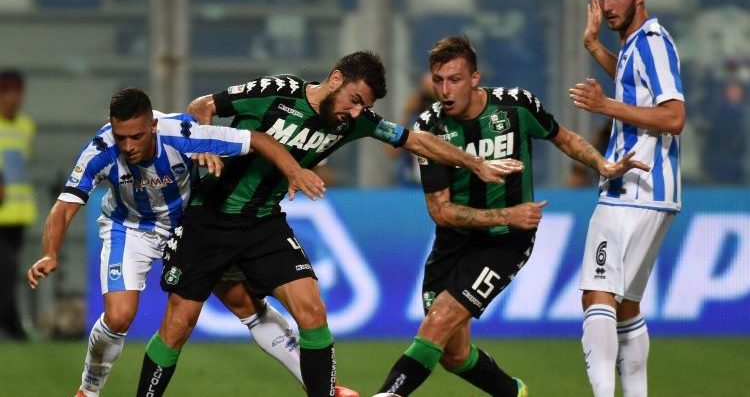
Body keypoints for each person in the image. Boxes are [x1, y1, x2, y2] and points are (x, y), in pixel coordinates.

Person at [133, 51, 522, 397]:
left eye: (364, 106)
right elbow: (201, 106)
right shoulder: (277, 91)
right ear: (336, 79)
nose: (356, 112)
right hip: (209, 219)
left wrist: (474, 163)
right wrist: (204, 144)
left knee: (313, 312)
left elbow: (415, 141)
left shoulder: (353, 122)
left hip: (264, 223)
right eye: (355, 100)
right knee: (179, 325)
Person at [374, 35, 648, 397]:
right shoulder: (429, 129)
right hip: (454, 240)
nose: (445, 90)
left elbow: (563, 137)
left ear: (475, 78)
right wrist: (510, 213)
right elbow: (441, 211)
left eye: (454, 79)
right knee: (453, 355)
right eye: (438, 80)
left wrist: (602, 164)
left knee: (437, 323)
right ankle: (512, 391)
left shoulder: (516, 106)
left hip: (505, 242)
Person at [26, 87, 326, 397]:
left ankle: (321, 386)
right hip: (129, 228)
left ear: (153, 126)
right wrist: (49, 253)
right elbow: (64, 207)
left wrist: (293, 171)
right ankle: (89, 388)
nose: (128, 146)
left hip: (187, 226)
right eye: (121, 137)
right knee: (118, 317)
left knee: (244, 303)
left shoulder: (183, 134)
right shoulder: (100, 149)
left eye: (136, 137)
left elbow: (258, 139)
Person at [569, 0, 686, 396]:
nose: (607, 4)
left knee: (596, 294)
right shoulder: (638, 45)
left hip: (633, 186)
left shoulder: (653, 41)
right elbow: (632, 82)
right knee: (626, 307)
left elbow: (674, 117)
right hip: (655, 192)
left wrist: (606, 107)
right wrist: (593, 46)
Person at [0, 69, 36, 340]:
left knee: (9, 273)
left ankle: (12, 326)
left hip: (19, 212)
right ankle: (12, 326)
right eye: (10, 92)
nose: (16, 98)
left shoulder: (26, 126)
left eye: (19, 92)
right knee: (7, 270)